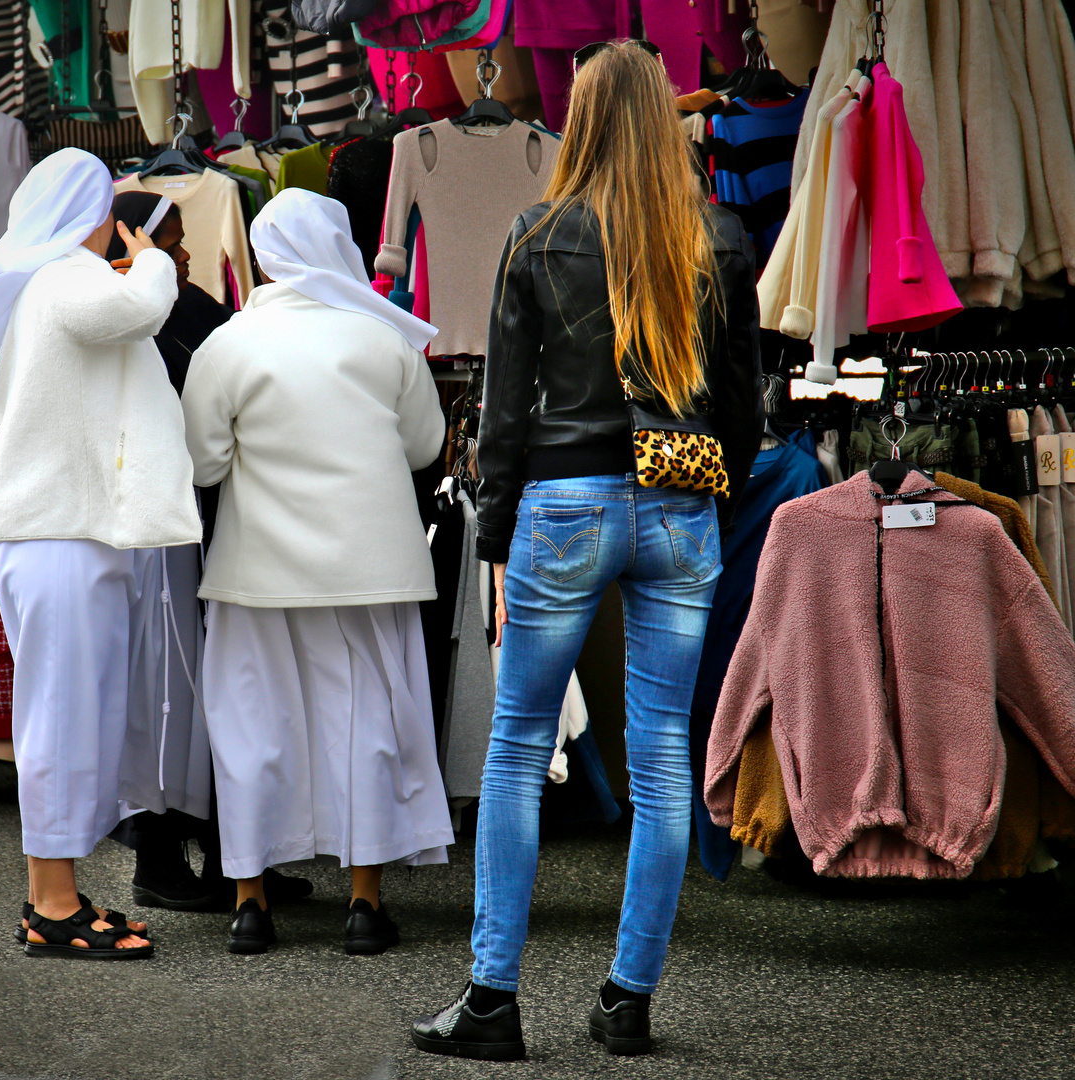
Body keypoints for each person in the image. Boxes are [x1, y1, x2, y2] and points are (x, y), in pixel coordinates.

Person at [412, 42, 763, 1058]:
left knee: (518, 750)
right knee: (662, 758)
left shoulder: (539, 235)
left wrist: (496, 537)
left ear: (581, 121)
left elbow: (506, 418)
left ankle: (492, 1002)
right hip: (679, 501)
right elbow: (743, 409)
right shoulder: (719, 238)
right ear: (662, 123)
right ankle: (627, 1001)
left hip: (563, 505)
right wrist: (711, 498)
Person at [0, 148, 212, 960]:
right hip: (58, 536)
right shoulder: (66, 280)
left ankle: (59, 896)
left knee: (71, 712)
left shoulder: (49, 285)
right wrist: (150, 264)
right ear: (90, 212)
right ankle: (52, 904)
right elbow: (134, 312)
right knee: (62, 715)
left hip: (62, 535)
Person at [179, 188, 456, 956]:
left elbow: (203, 462)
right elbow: (423, 446)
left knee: (251, 726)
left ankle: (249, 903)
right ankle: (364, 905)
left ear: (265, 255)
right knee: (365, 723)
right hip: (372, 570)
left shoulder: (228, 345)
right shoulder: (385, 342)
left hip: (255, 571)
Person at [102, 191, 314, 914]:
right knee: (164, 690)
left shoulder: (195, 307)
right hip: (151, 533)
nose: (185, 251)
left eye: (185, 236)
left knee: (225, 690)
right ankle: (156, 859)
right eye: (168, 236)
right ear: (124, 240)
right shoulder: (117, 309)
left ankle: (236, 858)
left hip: (213, 519)